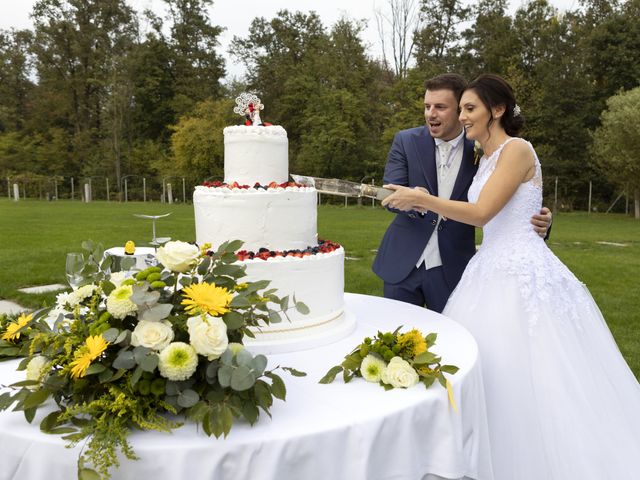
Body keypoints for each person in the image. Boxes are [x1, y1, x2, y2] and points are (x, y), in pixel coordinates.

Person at [382, 74, 640, 479]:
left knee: (536, 370)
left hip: (520, 272)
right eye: (461, 109)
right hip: (487, 266)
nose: (462, 118)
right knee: (479, 368)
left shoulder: (518, 149)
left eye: (470, 109)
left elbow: (483, 212)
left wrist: (421, 197)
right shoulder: (483, 156)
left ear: (496, 110)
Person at [372, 73, 551, 313]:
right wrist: (414, 201)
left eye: (440, 107)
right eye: (427, 106)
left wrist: (542, 220)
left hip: (454, 266)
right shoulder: (406, 141)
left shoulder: (484, 150)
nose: (430, 114)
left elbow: (513, 194)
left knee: (452, 345)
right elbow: (392, 194)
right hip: (402, 262)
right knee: (395, 339)